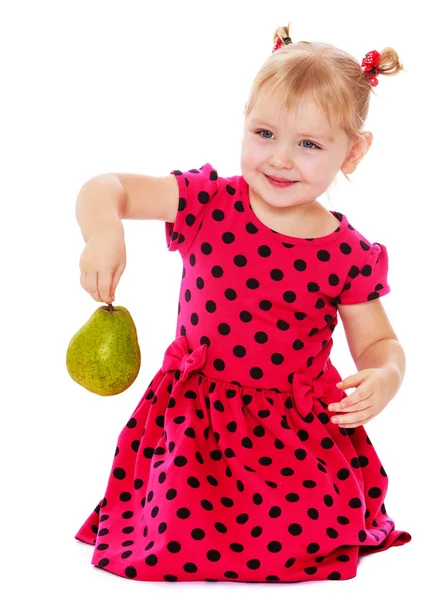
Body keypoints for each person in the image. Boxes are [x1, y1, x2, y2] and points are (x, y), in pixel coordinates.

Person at [74, 23, 411, 583]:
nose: (280, 159)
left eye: (308, 144)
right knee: (174, 535)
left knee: (303, 536)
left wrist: (386, 374)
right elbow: (108, 186)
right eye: (264, 132)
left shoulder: (348, 254)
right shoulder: (208, 202)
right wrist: (104, 230)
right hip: (195, 421)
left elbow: (377, 340)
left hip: (291, 434)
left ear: (354, 152)